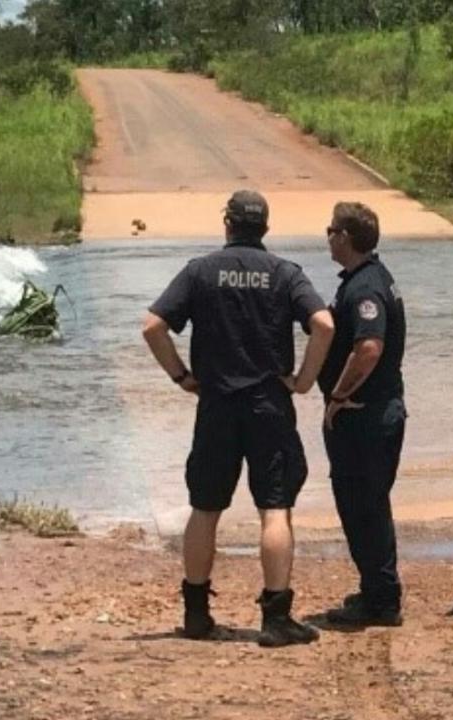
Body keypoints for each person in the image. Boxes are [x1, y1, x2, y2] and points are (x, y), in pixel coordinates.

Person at [142, 190, 335, 647]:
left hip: (216, 405)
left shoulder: (200, 272)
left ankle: (195, 613)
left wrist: (181, 377)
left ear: (227, 223)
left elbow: (152, 326)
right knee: (274, 509)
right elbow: (324, 324)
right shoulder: (285, 274)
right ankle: (275, 618)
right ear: (265, 227)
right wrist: (305, 380)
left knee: (205, 508)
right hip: (269, 405)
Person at [318, 201, 407, 626]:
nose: (328, 236)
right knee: (368, 504)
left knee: (362, 505)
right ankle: (376, 590)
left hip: (364, 416)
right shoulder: (369, 278)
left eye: (331, 230)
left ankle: (382, 600)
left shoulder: (365, 289)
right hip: (376, 412)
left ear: (345, 238)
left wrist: (337, 395)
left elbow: (369, 348)